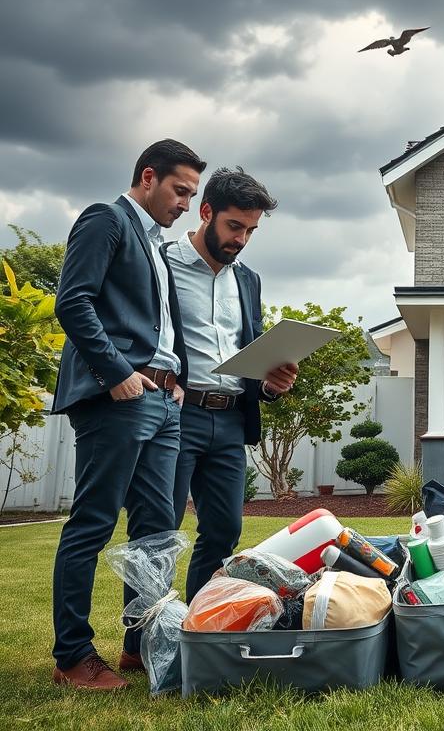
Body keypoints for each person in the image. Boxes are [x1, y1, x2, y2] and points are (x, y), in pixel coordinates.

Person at [51, 139, 206, 690]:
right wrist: (116, 372)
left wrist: (179, 377)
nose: (186, 203)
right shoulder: (106, 220)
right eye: (180, 190)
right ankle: (72, 655)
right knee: (93, 523)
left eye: (192, 194)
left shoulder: (157, 244)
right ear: (148, 177)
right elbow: (73, 301)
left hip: (164, 401)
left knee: (157, 531)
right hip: (119, 396)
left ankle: (142, 646)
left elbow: (161, 324)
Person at [164, 167, 297, 606]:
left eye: (251, 230)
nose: (241, 239)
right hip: (177, 413)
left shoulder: (247, 279)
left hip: (231, 420)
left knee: (224, 530)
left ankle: (203, 627)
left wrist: (271, 384)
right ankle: (138, 645)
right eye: (234, 226)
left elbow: (248, 357)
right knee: (160, 530)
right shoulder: (162, 264)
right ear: (206, 212)